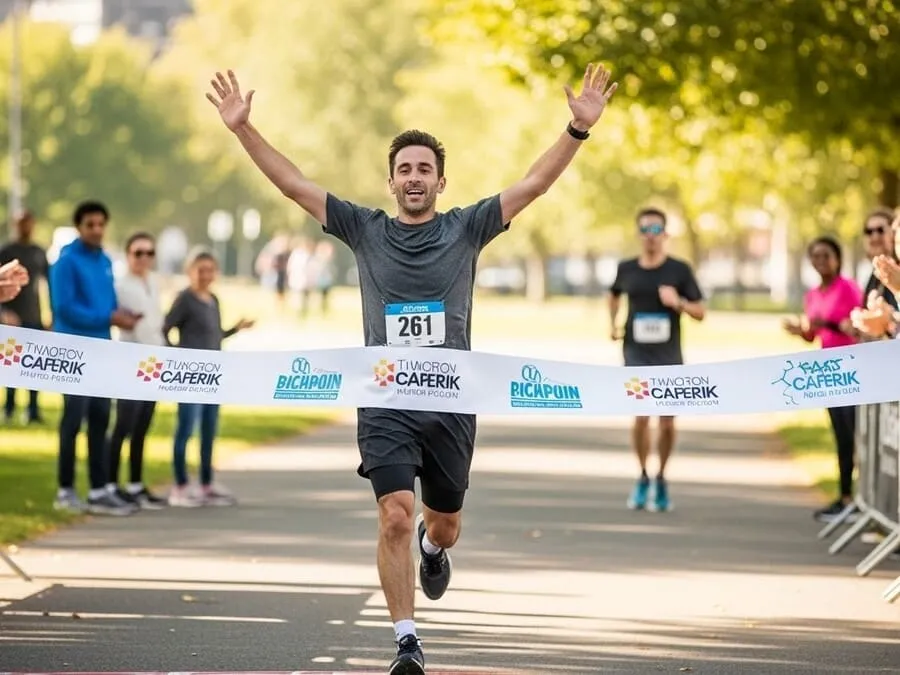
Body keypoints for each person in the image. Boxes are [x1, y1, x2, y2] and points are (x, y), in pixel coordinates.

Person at [206, 63, 617, 674]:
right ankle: (406, 642)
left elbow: (532, 185)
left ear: (441, 181)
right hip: (386, 401)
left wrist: (576, 131)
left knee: (443, 523)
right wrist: (244, 130)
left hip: (451, 403)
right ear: (391, 181)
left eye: (425, 168)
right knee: (395, 512)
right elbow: (294, 184)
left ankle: (433, 547)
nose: (415, 176)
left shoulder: (467, 228)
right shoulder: (364, 229)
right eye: (405, 169)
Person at [609, 208, 705, 513]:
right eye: (645, 230)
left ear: (665, 235)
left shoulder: (679, 270)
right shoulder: (627, 268)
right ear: (639, 234)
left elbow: (701, 312)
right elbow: (613, 294)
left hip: (668, 355)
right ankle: (642, 476)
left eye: (656, 231)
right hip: (636, 352)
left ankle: (661, 477)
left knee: (666, 423)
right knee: (640, 417)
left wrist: (678, 302)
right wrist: (612, 323)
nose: (650, 236)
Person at [49, 201, 141, 516]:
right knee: (73, 421)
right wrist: (109, 316)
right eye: (91, 224)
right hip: (73, 353)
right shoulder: (65, 262)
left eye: (101, 224)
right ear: (79, 227)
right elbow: (64, 309)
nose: (97, 230)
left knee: (101, 419)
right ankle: (65, 490)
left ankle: (100, 490)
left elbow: (109, 300)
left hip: (102, 351)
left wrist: (122, 315)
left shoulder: (103, 260)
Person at [163, 249, 254, 508]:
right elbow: (165, 329)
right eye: (200, 270)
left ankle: (205, 483)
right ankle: (180, 486)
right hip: (190, 377)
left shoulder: (213, 299)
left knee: (208, 430)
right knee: (185, 430)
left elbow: (214, 337)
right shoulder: (184, 299)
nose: (205, 275)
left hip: (214, 377)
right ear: (190, 271)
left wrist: (236, 329)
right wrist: (178, 360)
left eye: (210, 270)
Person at [782, 236, 863, 521]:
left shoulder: (849, 289)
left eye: (826, 255)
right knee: (840, 434)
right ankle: (845, 496)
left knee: (854, 434)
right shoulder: (813, 295)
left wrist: (826, 324)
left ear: (837, 258)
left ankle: (858, 497)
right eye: (815, 256)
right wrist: (800, 331)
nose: (820, 261)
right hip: (825, 373)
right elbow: (814, 335)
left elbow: (855, 328)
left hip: (851, 370)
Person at [106, 232, 168, 510]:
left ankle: (135, 483)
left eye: (149, 253)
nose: (144, 258)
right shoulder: (119, 285)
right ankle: (110, 483)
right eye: (138, 253)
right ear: (128, 255)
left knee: (143, 424)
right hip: (129, 359)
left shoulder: (153, 282)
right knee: (123, 425)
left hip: (153, 360)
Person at [0, 211, 49, 423]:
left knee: (34, 365)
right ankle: (9, 407)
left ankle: (33, 409)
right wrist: (4, 312)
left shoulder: (38, 252)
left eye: (29, 223)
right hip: (12, 317)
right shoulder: (7, 250)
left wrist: (50, 315)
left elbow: (49, 283)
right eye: (22, 224)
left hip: (34, 315)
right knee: (11, 364)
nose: (25, 227)